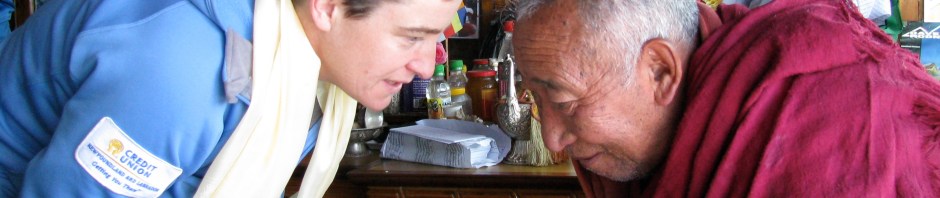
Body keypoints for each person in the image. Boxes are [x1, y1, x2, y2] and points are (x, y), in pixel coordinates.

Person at [0, 0, 461, 197]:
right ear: (327, 7)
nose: (427, 64)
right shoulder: (182, 71)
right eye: (411, 38)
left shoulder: (301, 56)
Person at [513, 0, 940, 197]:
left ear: (660, 71)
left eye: (565, 101)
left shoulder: (820, 111)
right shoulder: (627, 163)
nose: (552, 138)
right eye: (536, 99)